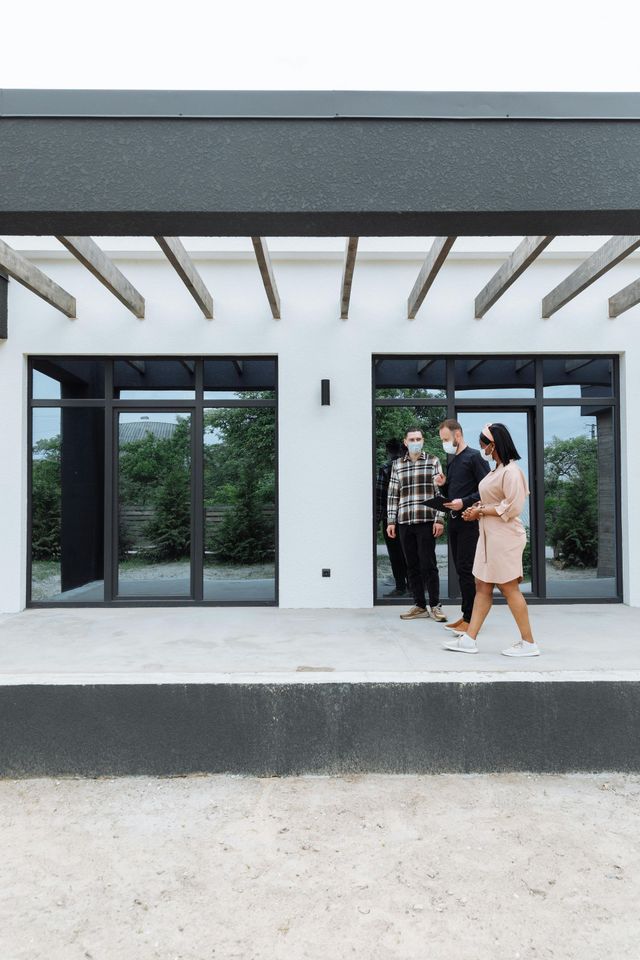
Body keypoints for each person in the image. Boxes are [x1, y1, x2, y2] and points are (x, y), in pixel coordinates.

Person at [442, 423, 540, 657]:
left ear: (494, 444)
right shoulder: (496, 470)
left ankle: (529, 643)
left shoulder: (511, 471)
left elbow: (513, 507)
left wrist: (481, 511)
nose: (481, 448)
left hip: (505, 538)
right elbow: (490, 499)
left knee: (508, 588)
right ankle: (469, 640)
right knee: (482, 586)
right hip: (488, 537)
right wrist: (475, 508)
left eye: (484, 443)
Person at [434, 418, 489, 635]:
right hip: (455, 521)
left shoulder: (474, 457)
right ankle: (466, 616)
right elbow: (453, 494)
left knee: (467, 570)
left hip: (470, 522)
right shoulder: (454, 460)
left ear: (458, 435)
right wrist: (444, 485)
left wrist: (464, 502)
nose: (444, 443)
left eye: (446, 439)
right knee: (461, 570)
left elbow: (487, 490)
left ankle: (471, 619)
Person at [386, 426, 447, 622]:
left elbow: (440, 493)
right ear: (405, 442)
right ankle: (419, 605)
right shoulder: (397, 465)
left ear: (423, 440)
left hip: (426, 521)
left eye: (418, 439)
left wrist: (439, 518)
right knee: (411, 565)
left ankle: (435, 605)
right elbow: (393, 495)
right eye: (411, 439)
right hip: (404, 521)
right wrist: (391, 521)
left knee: (428, 564)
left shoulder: (433, 461)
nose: (415, 442)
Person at [376, 438, 409, 597]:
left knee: (395, 555)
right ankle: (414, 586)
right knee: (409, 553)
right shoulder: (409, 466)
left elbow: (380, 497)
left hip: (390, 518)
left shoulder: (385, 468)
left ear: (388, 450)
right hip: (408, 517)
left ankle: (400, 587)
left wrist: (377, 520)